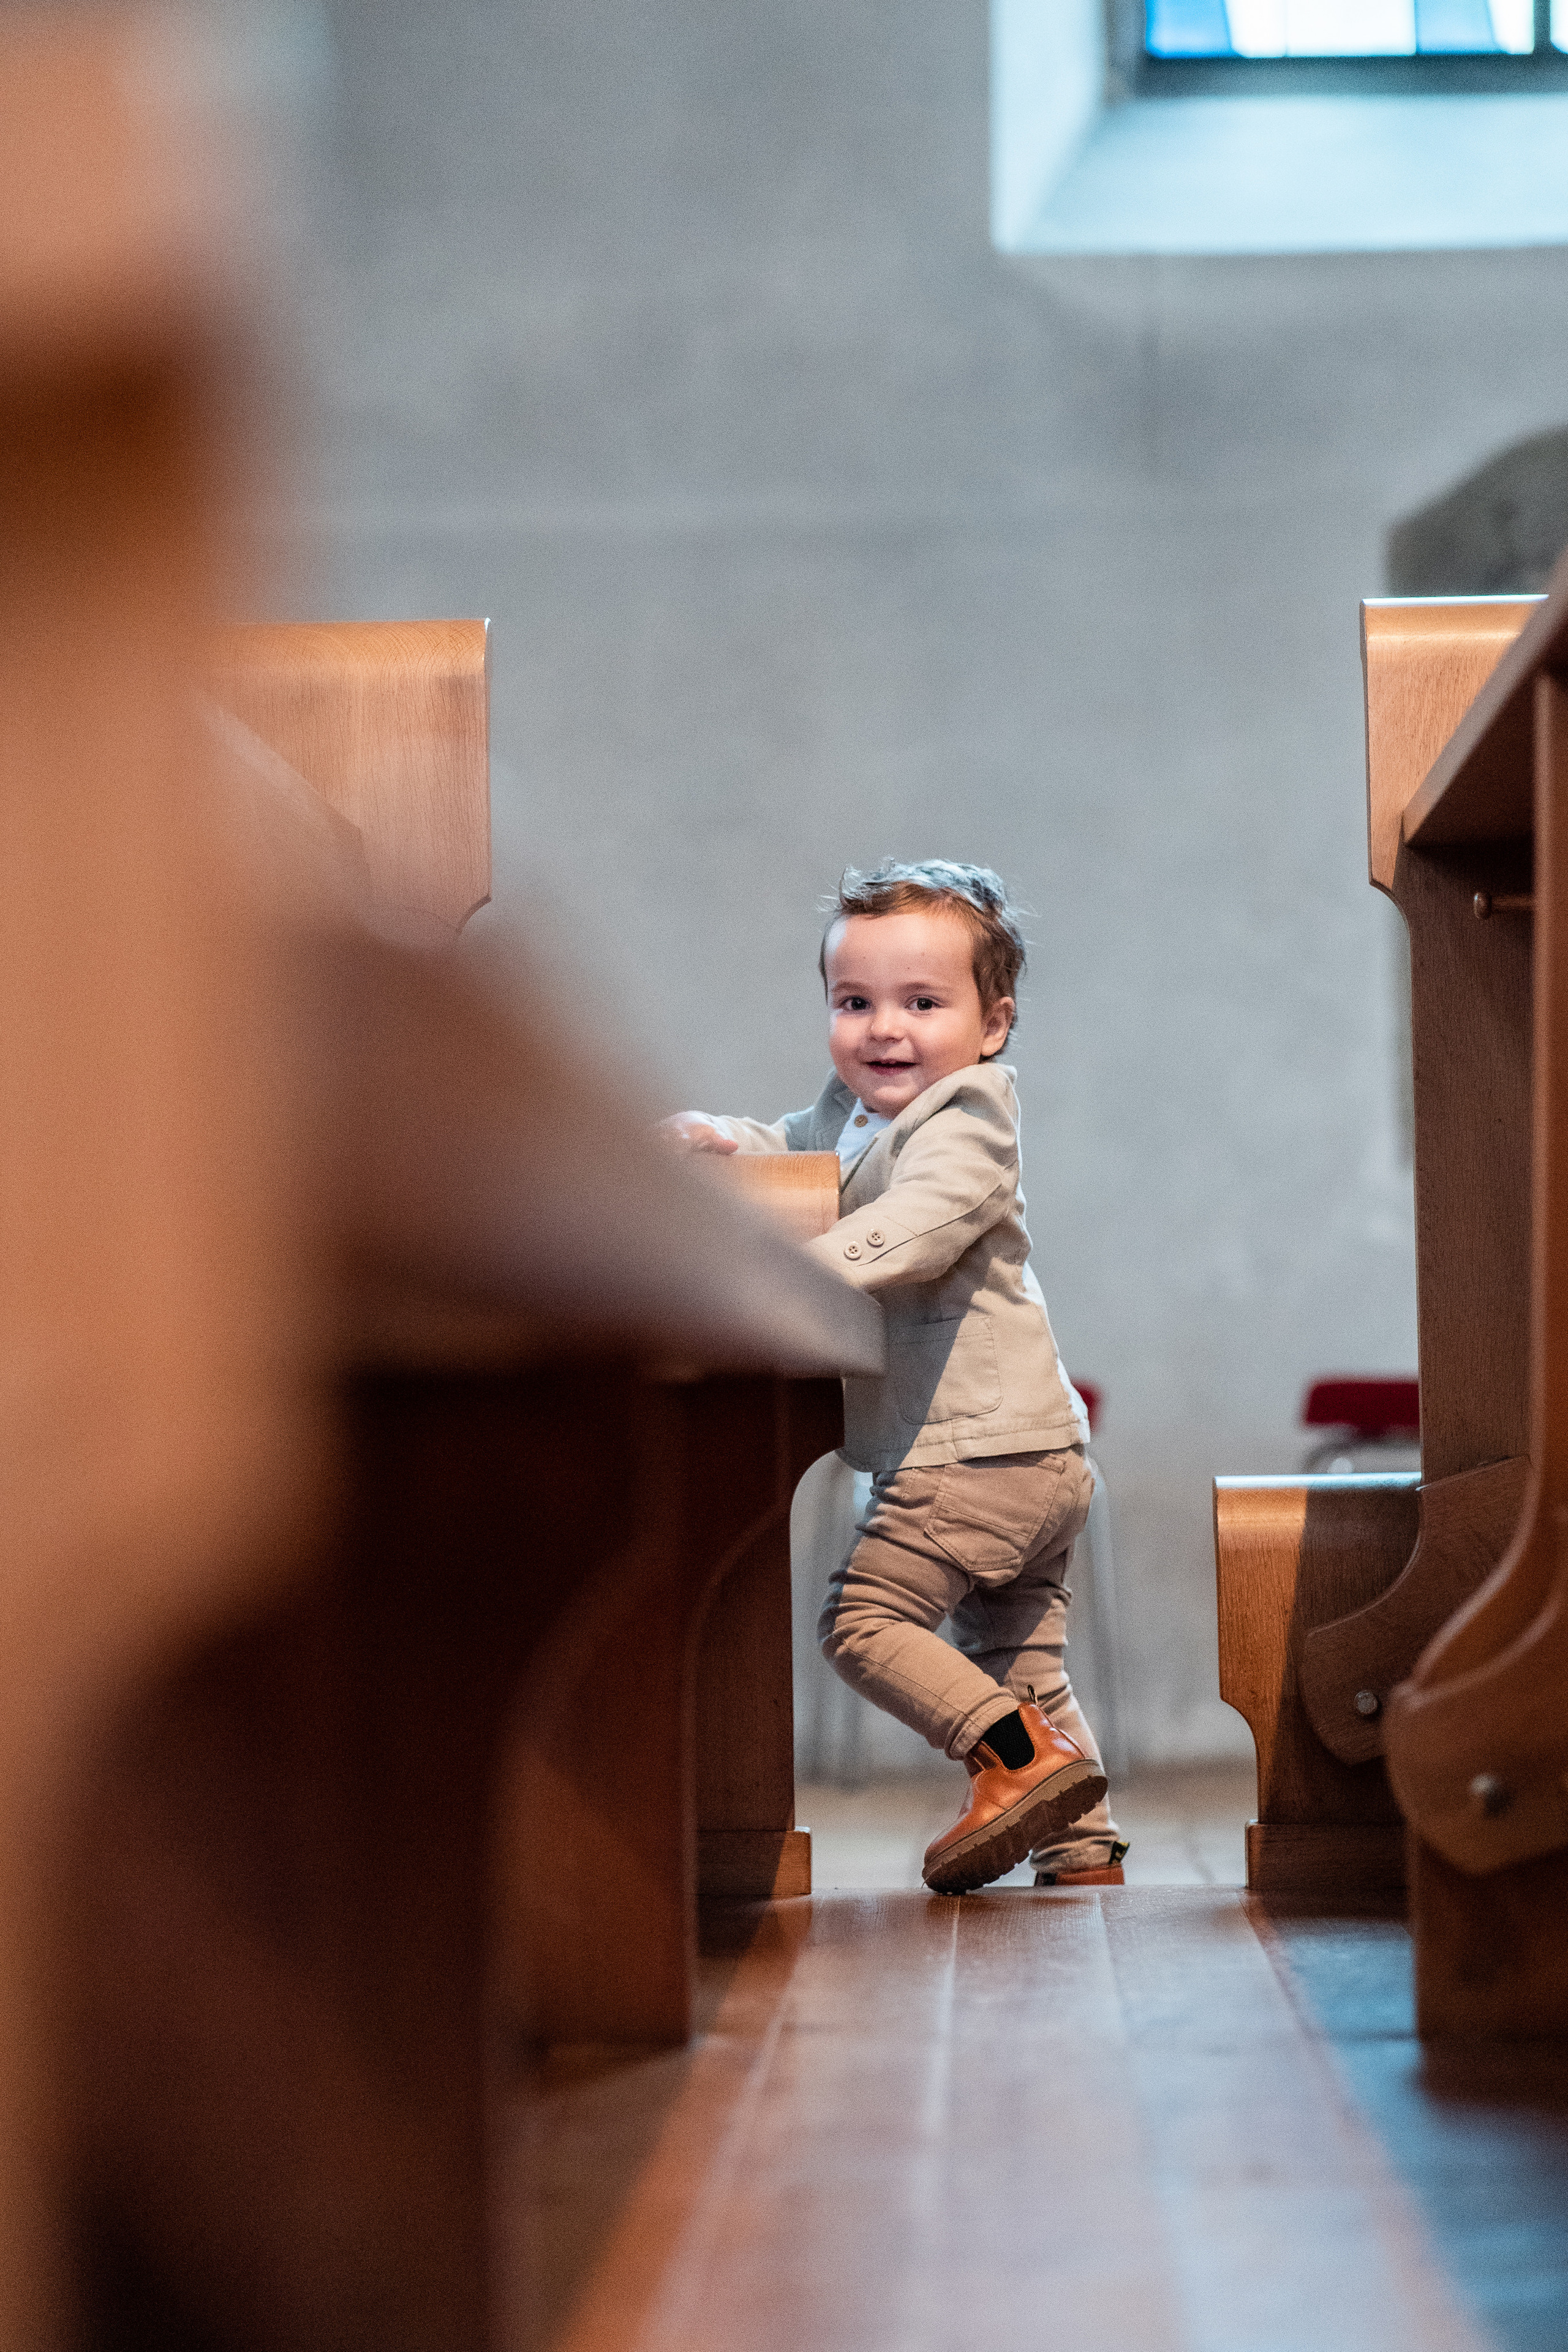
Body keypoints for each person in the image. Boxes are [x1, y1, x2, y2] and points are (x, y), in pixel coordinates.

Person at [662, 858, 1125, 1895]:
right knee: (1019, 1666)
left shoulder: (970, 1120)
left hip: (981, 1454)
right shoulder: (857, 1112)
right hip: (1020, 1454)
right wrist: (720, 1140)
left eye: (923, 1003)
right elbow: (795, 1150)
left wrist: (785, 1289)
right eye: (855, 1002)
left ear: (993, 1023)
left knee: (863, 1623)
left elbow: (914, 1232)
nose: (885, 1029)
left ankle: (1021, 1765)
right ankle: (1081, 1846)